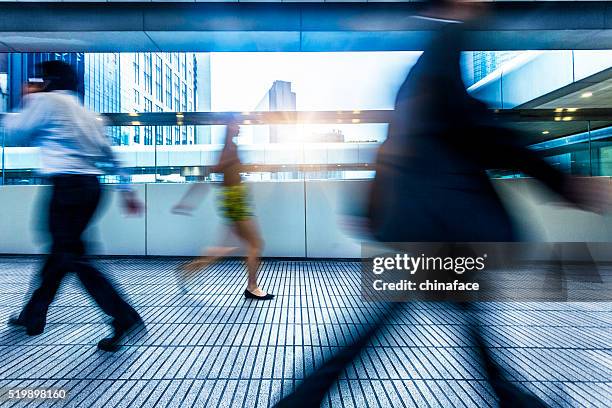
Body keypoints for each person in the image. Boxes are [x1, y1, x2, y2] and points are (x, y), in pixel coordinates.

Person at [275, 1, 607, 407]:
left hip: (426, 219)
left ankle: (305, 397)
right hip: (439, 222)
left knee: (439, 317)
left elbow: (431, 134)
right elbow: (476, 128)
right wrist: (559, 181)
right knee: (425, 318)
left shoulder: (434, 53)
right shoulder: (444, 47)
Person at [2, 60, 145, 352]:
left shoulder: (45, 101)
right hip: (92, 188)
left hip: (66, 188)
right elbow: (111, 155)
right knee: (62, 250)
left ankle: (124, 316)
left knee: (71, 256)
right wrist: (127, 190)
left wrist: (27, 98)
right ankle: (34, 313)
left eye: (39, 80)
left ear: (49, 81)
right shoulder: (87, 114)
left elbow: (13, 132)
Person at [173, 123, 273, 300]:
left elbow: (223, 171)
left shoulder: (230, 147)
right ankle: (252, 287)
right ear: (230, 128)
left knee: (229, 246)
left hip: (234, 199)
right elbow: (216, 169)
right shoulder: (228, 149)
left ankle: (188, 270)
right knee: (255, 244)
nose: (240, 127)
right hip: (235, 200)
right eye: (236, 125)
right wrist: (188, 201)